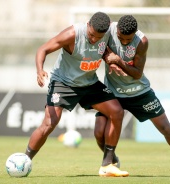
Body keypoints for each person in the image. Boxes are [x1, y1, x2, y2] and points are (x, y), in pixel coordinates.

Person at [94, 15, 170, 177]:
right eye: (121, 38)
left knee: (165, 128)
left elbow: (137, 74)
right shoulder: (108, 31)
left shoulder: (142, 41)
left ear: (135, 33)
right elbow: (100, 48)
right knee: (99, 132)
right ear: (116, 30)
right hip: (112, 92)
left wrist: (118, 61)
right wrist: (108, 59)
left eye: (128, 39)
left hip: (139, 92)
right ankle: (111, 160)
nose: (125, 42)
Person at [25, 12, 129, 177]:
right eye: (91, 35)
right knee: (49, 123)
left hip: (89, 83)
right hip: (63, 83)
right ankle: (24, 161)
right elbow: (43, 49)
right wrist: (39, 70)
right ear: (88, 25)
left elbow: (105, 49)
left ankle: (107, 163)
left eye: (98, 37)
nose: (94, 39)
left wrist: (112, 60)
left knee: (116, 111)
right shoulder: (72, 34)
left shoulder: (107, 32)